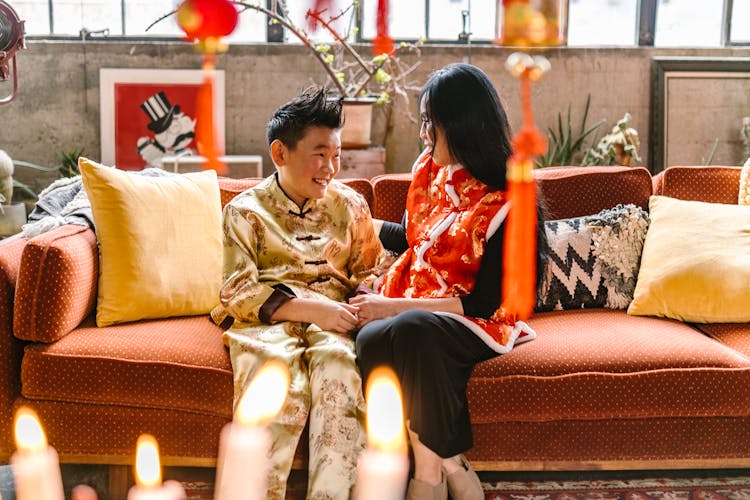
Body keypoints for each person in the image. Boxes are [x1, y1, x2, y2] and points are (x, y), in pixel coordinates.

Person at [352, 63, 548, 500]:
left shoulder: (511, 198)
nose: (423, 133)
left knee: (408, 329)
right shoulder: (428, 170)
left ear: (459, 124)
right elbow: (411, 236)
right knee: (371, 339)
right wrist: (352, 216)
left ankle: (426, 475)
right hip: (420, 300)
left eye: (430, 122)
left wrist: (391, 307)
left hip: (479, 317)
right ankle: (447, 463)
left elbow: (484, 304)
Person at [210, 86, 385, 499]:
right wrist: (308, 309)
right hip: (270, 325)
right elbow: (236, 290)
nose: (331, 167)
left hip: (337, 324)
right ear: (280, 153)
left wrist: (363, 297)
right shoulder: (244, 211)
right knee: (275, 382)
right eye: (320, 154)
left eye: (337, 156)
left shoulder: (352, 206)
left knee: (341, 371)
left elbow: (374, 269)